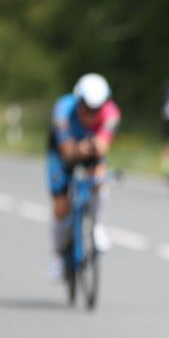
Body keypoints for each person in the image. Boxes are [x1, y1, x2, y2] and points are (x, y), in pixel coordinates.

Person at [45, 73, 120, 280]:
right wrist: (84, 148)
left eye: (97, 109)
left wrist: (91, 149)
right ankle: (57, 257)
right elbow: (68, 152)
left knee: (99, 177)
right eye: (86, 108)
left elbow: (103, 147)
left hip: (89, 150)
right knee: (60, 207)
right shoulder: (63, 110)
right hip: (60, 153)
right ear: (78, 102)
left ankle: (97, 227)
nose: (91, 114)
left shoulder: (112, 113)